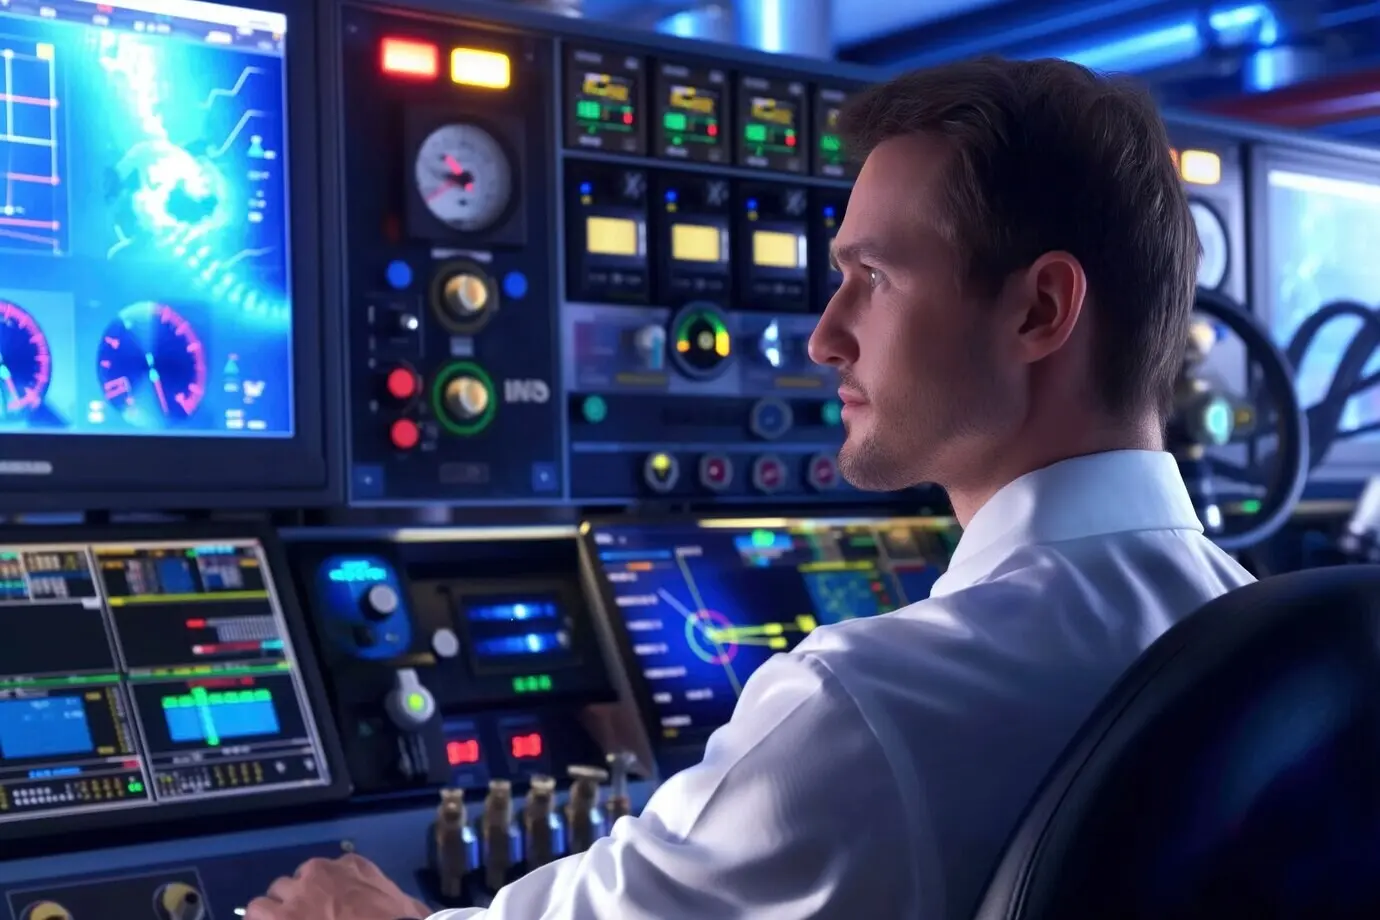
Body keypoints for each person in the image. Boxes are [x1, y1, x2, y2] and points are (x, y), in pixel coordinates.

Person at [245, 56, 1254, 920]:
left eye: (876, 277)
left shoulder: (870, 705)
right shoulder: (1270, 624)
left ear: (1040, 308)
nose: (823, 336)